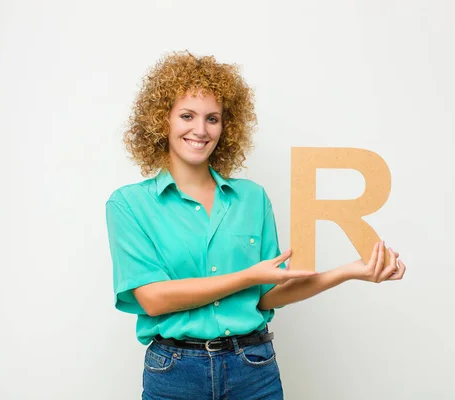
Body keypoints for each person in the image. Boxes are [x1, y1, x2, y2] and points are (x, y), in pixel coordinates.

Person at [105, 50, 406, 400]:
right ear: (162, 121)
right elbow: (153, 299)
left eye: (212, 118)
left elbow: (268, 295)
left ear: (225, 126)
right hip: (175, 373)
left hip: (253, 369)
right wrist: (250, 276)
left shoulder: (252, 199)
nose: (200, 130)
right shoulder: (129, 204)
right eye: (187, 115)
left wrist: (350, 271)